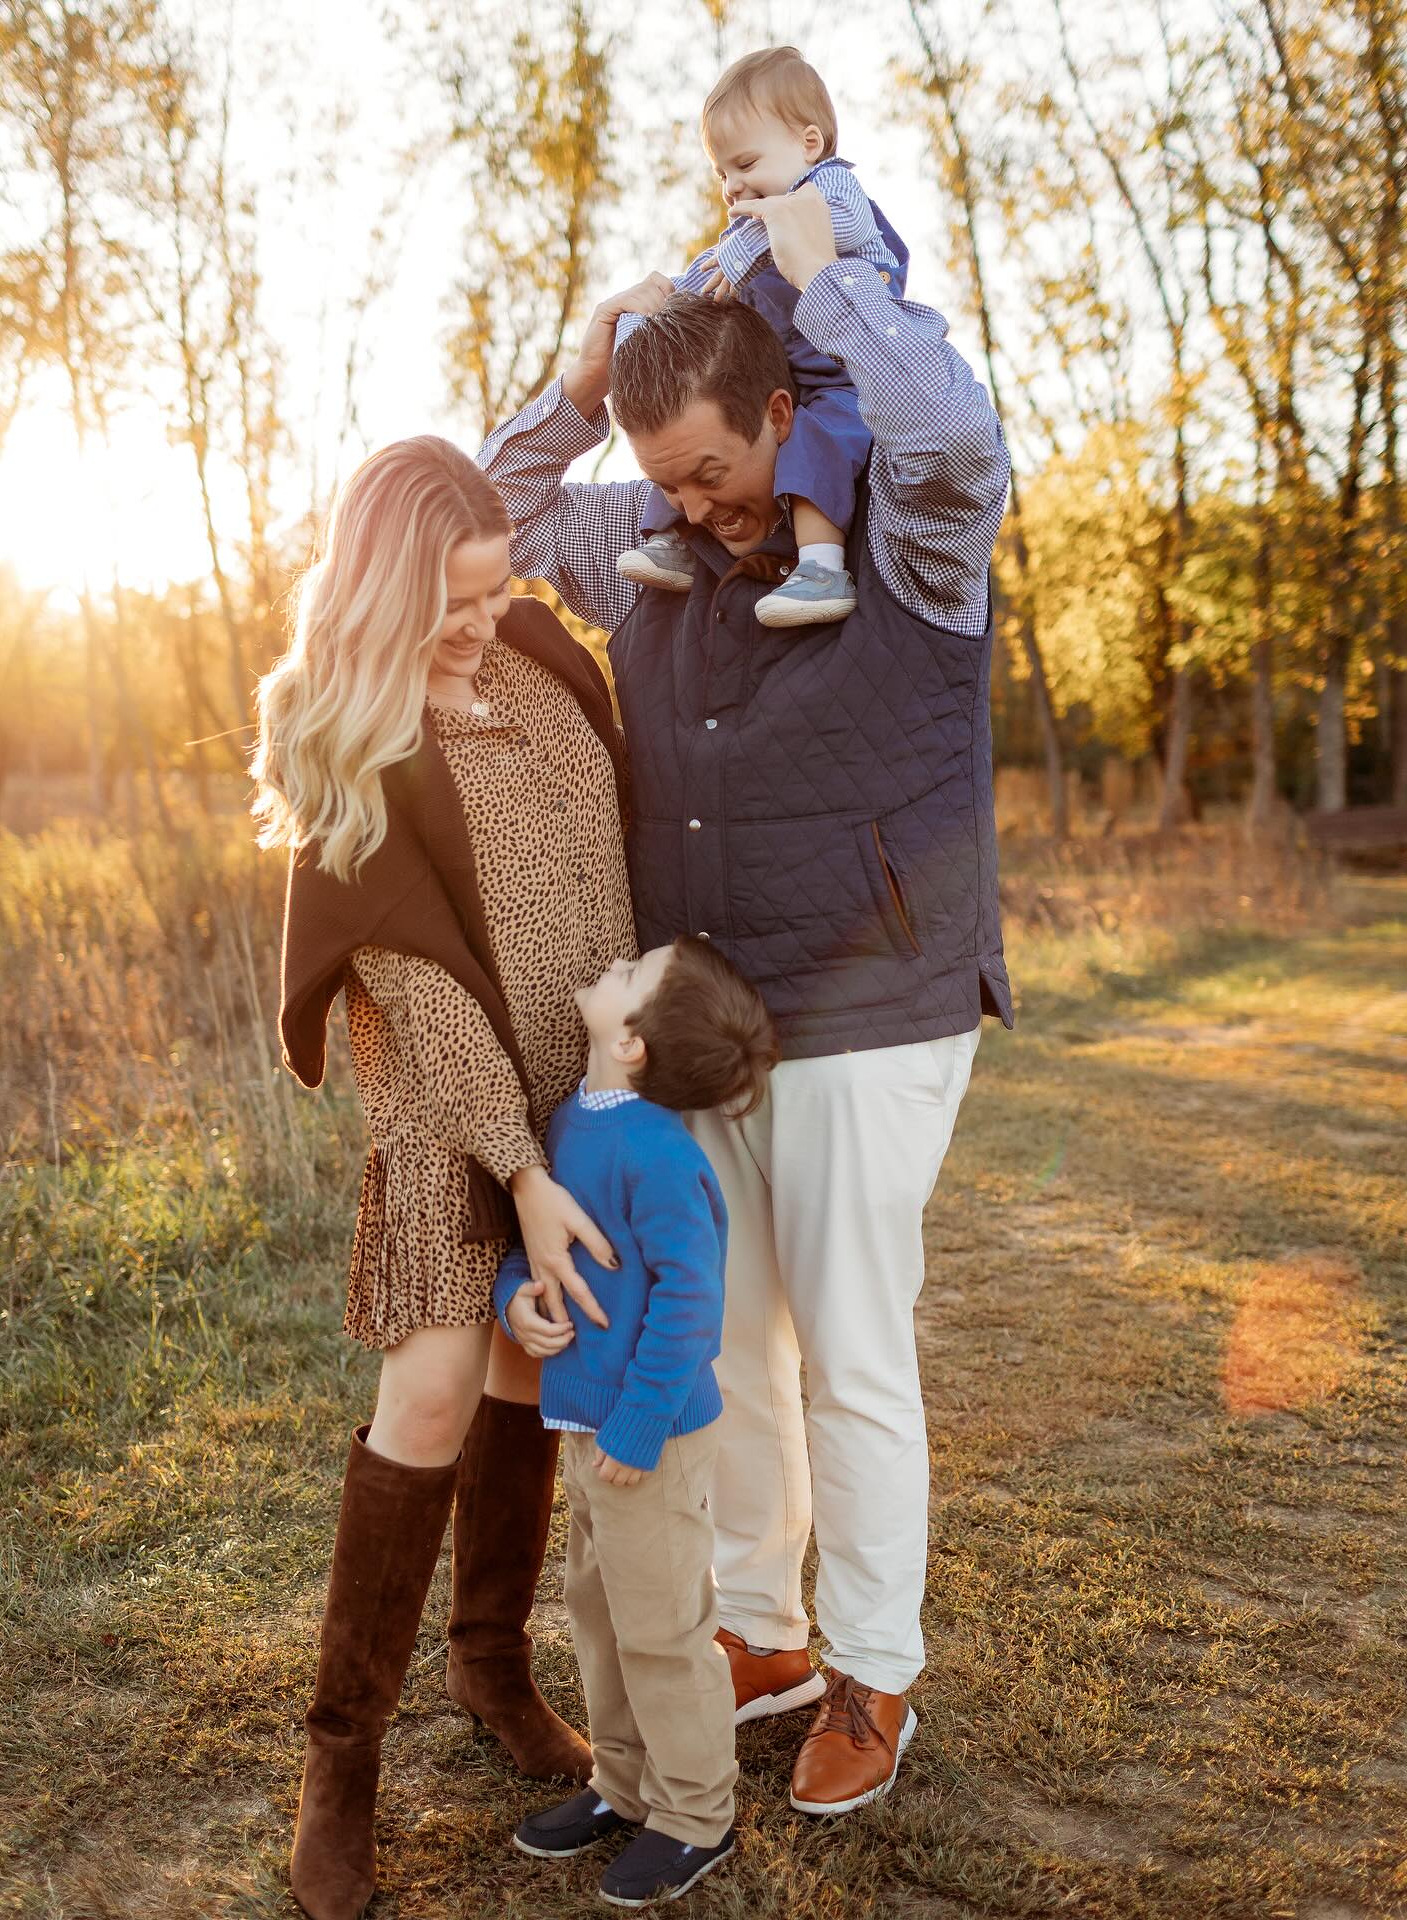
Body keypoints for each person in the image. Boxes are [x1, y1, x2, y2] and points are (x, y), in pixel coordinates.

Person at [476, 166, 1013, 1816]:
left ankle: (873, 1669)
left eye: (716, 466)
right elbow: (491, 519)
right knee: (733, 1336)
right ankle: (765, 1635)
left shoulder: (906, 530)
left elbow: (954, 436)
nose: (694, 504)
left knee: (850, 1344)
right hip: (704, 1017)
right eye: (666, 478)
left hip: (871, 996)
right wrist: (580, 389)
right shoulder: (650, 532)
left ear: (784, 411)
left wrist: (829, 275)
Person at [252, 436, 637, 1920]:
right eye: (452, 603)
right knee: (430, 1388)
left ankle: (492, 1668)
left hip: (585, 1090)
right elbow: (410, 983)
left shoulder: (541, 659)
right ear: (383, 588)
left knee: (532, 1379)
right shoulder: (340, 733)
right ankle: (338, 1762)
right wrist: (521, 1168)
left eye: (492, 592)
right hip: (452, 1104)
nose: (481, 621)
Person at [493, 937, 776, 1906]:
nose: (615, 960)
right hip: (587, 1423)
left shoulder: (658, 1154)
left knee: (663, 1630)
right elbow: (534, 1249)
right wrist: (516, 1302)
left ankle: (696, 1814)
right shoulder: (570, 1122)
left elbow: (691, 1306)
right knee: (601, 1618)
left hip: (643, 1436)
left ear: (632, 1041)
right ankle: (622, 1785)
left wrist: (637, 1426)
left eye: (632, 970)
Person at [616, 44, 908, 630]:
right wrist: (653, 313)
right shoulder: (746, 229)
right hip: (785, 373)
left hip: (846, 373)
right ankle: (671, 538)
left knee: (813, 436)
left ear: (809, 143)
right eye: (723, 172)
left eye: (745, 164)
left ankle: (823, 564)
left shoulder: (833, 190)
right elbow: (709, 274)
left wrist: (754, 238)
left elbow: (830, 224)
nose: (731, 185)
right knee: (677, 447)